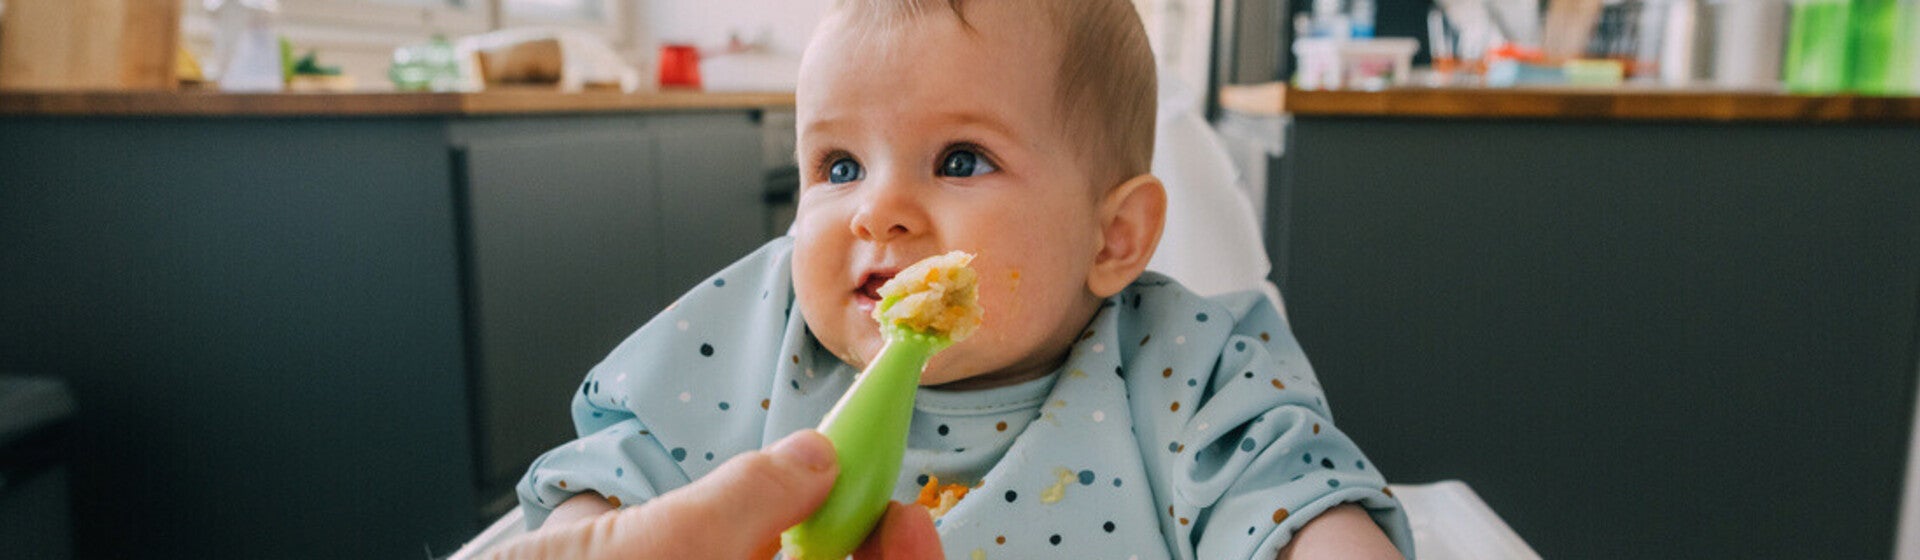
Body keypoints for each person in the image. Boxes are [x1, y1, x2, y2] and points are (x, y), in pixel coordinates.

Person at [508, 0, 1413, 558]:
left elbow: (1295, 506)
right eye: (838, 166)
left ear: (1115, 236)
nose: (876, 211)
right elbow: (613, 484)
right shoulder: (756, 325)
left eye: (962, 159)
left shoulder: (1190, 365)